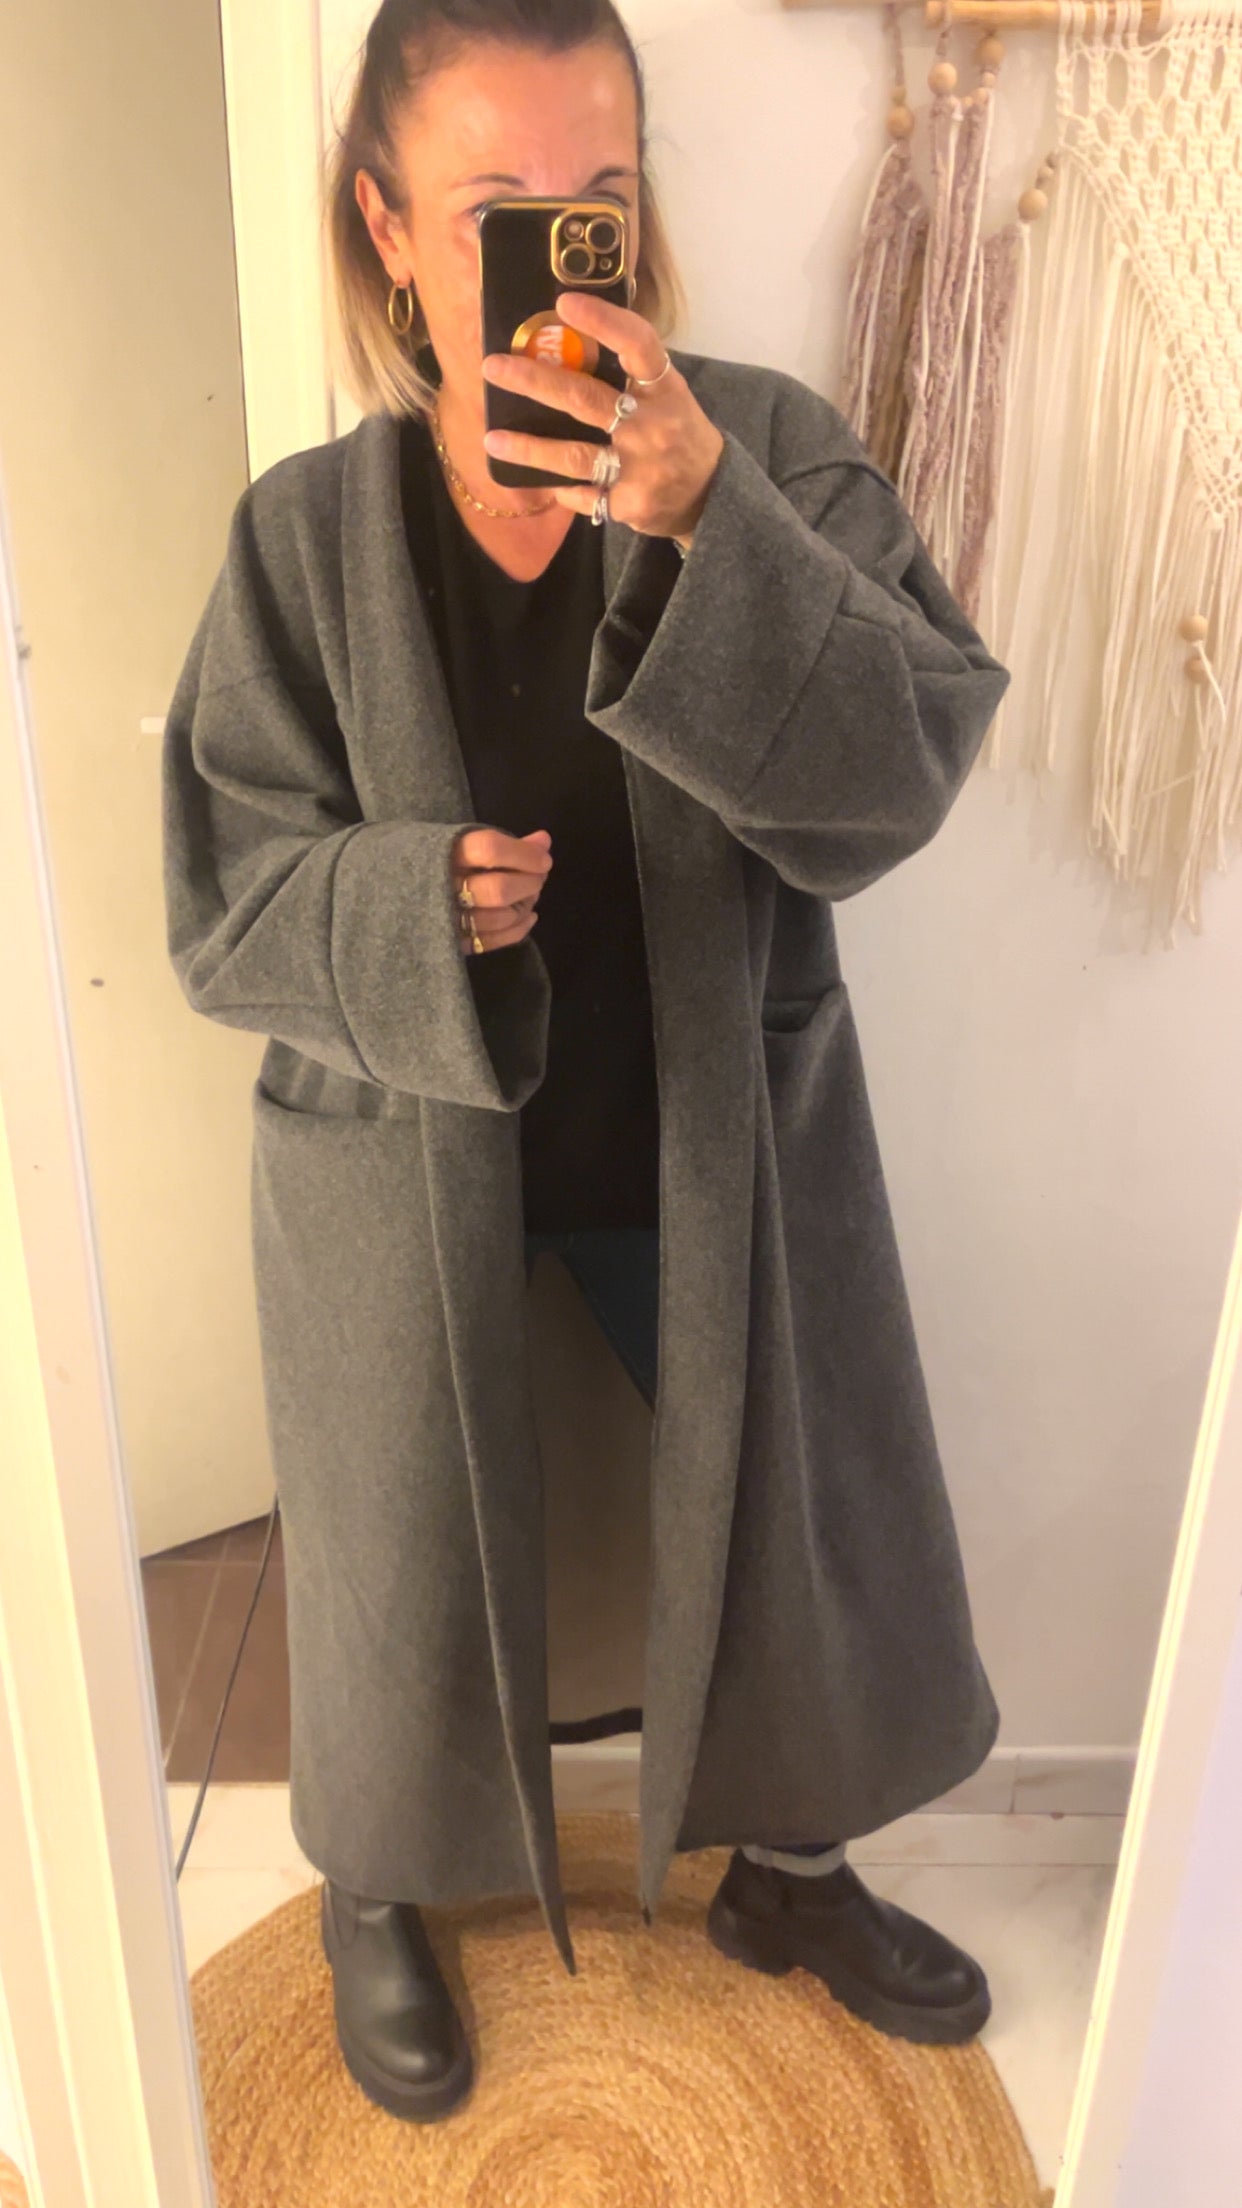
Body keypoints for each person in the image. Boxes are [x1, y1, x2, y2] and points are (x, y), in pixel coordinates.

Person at [162, 0, 1013, 2127]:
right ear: (387, 231)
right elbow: (223, 898)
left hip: (711, 1137)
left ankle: (789, 1874)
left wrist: (719, 527)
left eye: (598, 202)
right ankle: (381, 1885)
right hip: (408, 1160)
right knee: (404, 1566)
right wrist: (399, 905)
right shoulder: (303, 536)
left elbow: (908, 767)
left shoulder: (766, 452)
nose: (559, 251)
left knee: (782, 1537)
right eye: (496, 209)